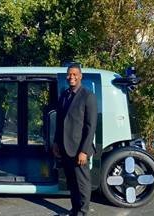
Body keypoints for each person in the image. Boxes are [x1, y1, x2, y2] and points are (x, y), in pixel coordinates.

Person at [53, 64, 97, 216]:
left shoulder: (88, 96)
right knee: (72, 182)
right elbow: (60, 122)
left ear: (80, 76)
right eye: (69, 74)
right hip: (65, 147)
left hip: (79, 149)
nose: (71, 77)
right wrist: (56, 142)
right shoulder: (64, 95)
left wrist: (84, 151)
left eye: (74, 74)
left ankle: (83, 212)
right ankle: (74, 210)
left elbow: (90, 127)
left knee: (82, 183)